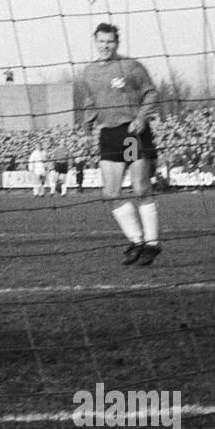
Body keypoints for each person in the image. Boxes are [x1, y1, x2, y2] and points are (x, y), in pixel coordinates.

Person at [80, 23, 161, 265]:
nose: (105, 46)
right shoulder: (89, 72)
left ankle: (153, 243)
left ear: (117, 43)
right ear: (95, 41)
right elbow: (90, 101)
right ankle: (137, 241)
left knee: (140, 188)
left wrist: (140, 118)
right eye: (101, 41)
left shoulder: (130, 66)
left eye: (110, 42)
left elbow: (151, 93)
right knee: (110, 193)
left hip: (130, 133)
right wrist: (86, 123)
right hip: (108, 134)